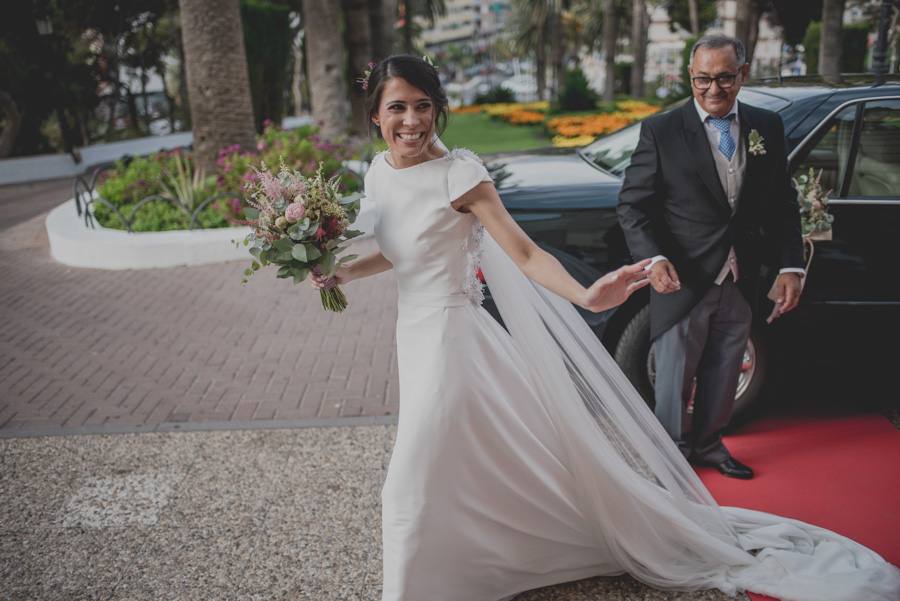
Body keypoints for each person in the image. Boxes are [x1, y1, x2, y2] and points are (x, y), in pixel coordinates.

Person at [312, 54, 900, 601]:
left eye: (423, 105)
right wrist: (334, 273)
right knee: (467, 462)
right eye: (397, 107)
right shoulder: (380, 172)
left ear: (438, 108)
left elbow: (524, 252)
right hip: (412, 335)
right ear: (375, 115)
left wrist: (588, 293)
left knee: (408, 478)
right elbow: (399, 251)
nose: (411, 120)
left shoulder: (460, 175)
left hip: (451, 341)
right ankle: (479, 558)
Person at [617, 34, 805, 480]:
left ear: (742, 74)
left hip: (741, 275)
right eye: (703, 79)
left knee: (725, 369)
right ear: (690, 76)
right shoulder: (662, 131)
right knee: (673, 380)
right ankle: (672, 457)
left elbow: (782, 201)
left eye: (724, 78)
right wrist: (654, 257)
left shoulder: (766, 127)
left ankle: (709, 445)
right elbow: (632, 205)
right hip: (683, 279)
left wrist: (790, 264)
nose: (713, 90)